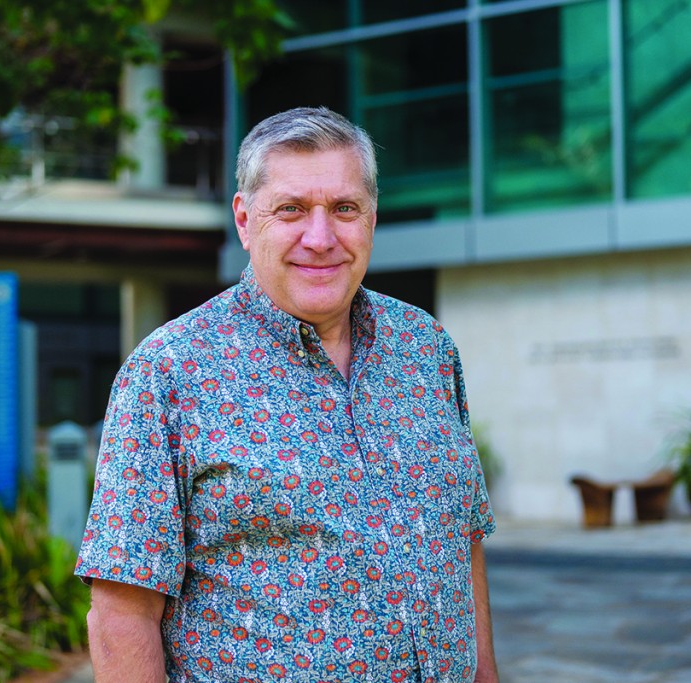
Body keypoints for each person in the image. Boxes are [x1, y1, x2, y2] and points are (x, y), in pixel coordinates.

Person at [76, 106, 499, 683]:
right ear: (245, 220)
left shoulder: (426, 348)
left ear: (372, 218)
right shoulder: (168, 373)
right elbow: (122, 613)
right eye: (291, 209)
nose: (320, 239)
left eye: (344, 209)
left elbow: (463, 540)